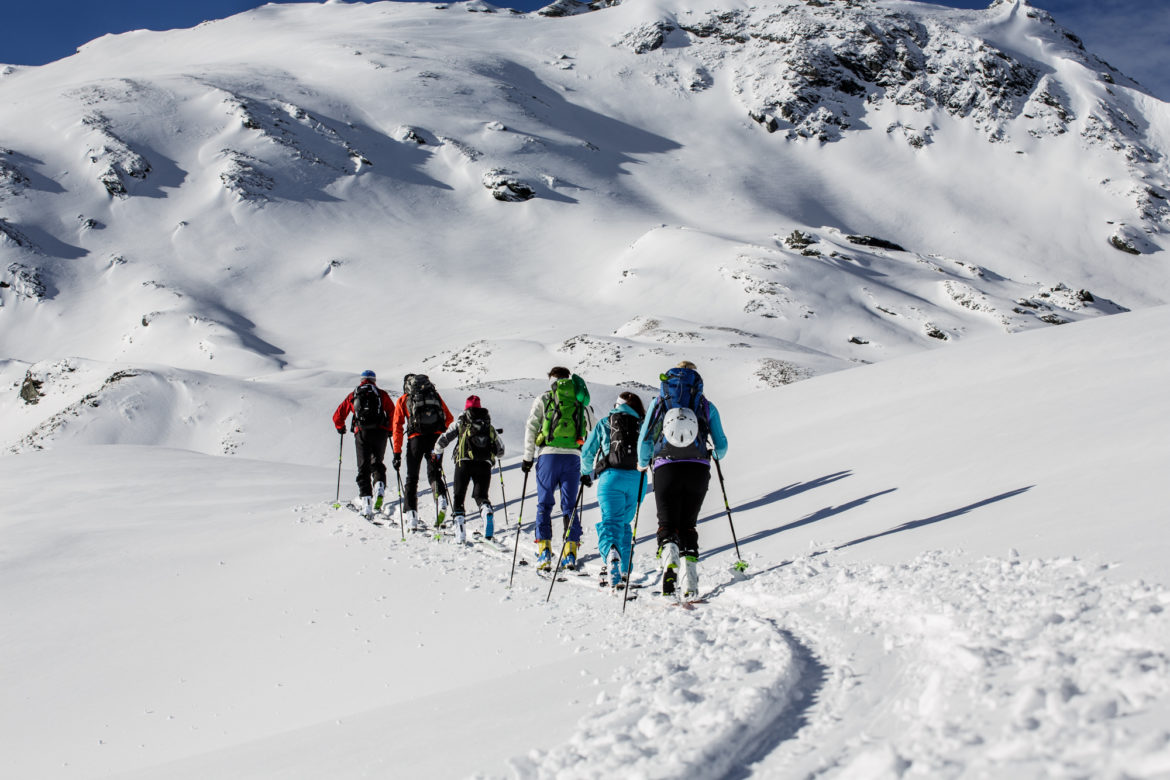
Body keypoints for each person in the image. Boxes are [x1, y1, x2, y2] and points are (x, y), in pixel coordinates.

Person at [637, 361, 728, 598]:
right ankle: (690, 583)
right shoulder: (705, 405)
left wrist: (643, 462)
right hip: (698, 469)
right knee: (688, 525)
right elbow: (722, 446)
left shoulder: (659, 403)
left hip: (666, 468)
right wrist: (712, 455)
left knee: (667, 524)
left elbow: (645, 440)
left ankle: (669, 559)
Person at [522, 366, 595, 571]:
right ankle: (570, 551)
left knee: (544, 504)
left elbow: (531, 426)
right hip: (573, 457)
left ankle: (544, 550)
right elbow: (592, 429)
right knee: (569, 505)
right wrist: (587, 463)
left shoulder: (544, 399)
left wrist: (528, 457)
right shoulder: (580, 400)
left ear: (551, 379)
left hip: (548, 456)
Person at [580, 391, 646, 589]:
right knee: (625, 523)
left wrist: (585, 473)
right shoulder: (642, 425)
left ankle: (611, 555)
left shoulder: (605, 423)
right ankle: (624, 570)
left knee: (611, 522)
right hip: (637, 479)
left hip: (610, 478)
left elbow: (588, 451)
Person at [434, 395, 505, 545]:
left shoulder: (460, 423)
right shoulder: (488, 426)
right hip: (484, 464)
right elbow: (501, 451)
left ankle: (460, 532)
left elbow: (443, 440)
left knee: (459, 497)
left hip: (464, 463)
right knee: (481, 496)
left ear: (466, 408)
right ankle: (487, 513)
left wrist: (437, 453)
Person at [392, 373, 454, 531]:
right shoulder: (434, 395)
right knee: (434, 473)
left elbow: (397, 427)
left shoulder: (404, 399)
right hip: (435, 440)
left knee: (411, 478)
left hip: (415, 441)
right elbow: (449, 418)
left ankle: (411, 515)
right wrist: (440, 433)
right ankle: (440, 499)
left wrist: (397, 453)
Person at [332, 370, 395, 518]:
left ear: (362, 380)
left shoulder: (354, 394)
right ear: (374, 380)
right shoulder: (381, 394)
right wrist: (390, 430)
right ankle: (379, 486)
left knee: (363, 466)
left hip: (362, 432)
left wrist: (340, 427)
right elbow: (392, 411)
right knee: (377, 462)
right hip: (381, 432)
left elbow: (338, 415)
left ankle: (366, 502)